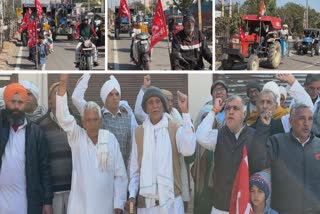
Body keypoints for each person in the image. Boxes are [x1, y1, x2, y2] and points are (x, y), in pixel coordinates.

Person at [56, 74, 128, 214]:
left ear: (100, 121)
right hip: (80, 207)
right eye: (88, 120)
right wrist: (63, 82)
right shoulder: (77, 137)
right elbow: (63, 117)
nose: (92, 123)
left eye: (95, 119)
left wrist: (119, 203)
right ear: (83, 122)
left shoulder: (110, 138)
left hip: (106, 207)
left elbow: (120, 174)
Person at [196, 95, 271, 213]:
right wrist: (214, 110)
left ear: (244, 113)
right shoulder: (219, 135)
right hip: (220, 207)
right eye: (227, 108)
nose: (230, 112)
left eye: (235, 108)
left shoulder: (253, 136)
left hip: (243, 207)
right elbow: (200, 136)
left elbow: (260, 164)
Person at [127, 87, 196, 214]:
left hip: (172, 203)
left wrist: (185, 112)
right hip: (147, 205)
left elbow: (188, 149)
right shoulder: (139, 132)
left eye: (158, 101)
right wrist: (132, 194)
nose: (155, 106)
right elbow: (135, 170)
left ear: (163, 105)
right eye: (150, 102)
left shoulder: (174, 127)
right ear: (146, 108)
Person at [253, 103, 320, 213]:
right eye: (302, 118)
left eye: (310, 119)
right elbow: (257, 162)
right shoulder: (277, 142)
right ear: (291, 121)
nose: (307, 123)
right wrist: (263, 128)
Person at [0, 83, 53, 214]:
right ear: (6, 102)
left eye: (20, 102)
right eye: (13, 101)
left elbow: (44, 168)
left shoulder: (35, 133)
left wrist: (47, 202)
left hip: (27, 202)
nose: (16, 106)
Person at [72, 74, 132, 168]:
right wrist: (88, 73)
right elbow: (76, 98)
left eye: (117, 94)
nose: (115, 97)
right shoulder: (96, 116)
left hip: (121, 174)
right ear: (105, 98)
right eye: (110, 94)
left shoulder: (127, 118)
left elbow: (130, 150)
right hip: (100, 172)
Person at [36, 82, 72, 214]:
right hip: (52, 192)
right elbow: (39, 161)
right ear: (50, 100)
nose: (59, 96)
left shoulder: (77, 123)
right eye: (56, 94)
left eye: (63, 94)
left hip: (74, 190)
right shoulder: (39, 125)